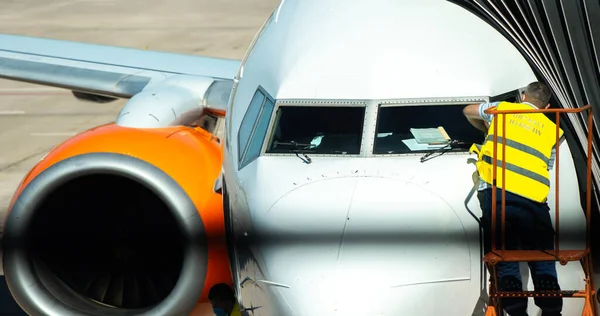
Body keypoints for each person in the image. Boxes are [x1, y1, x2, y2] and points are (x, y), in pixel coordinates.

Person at [463, 81, 565, 316]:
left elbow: (468, 110)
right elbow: (546, 165)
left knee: (505, 256)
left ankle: (516, 311)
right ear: (547, 106)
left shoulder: (502, 110)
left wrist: (487, 127)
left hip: (497, 194)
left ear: (521, 96)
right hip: (534, 201)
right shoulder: (552, 129)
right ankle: (552, 310)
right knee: (542, 257)